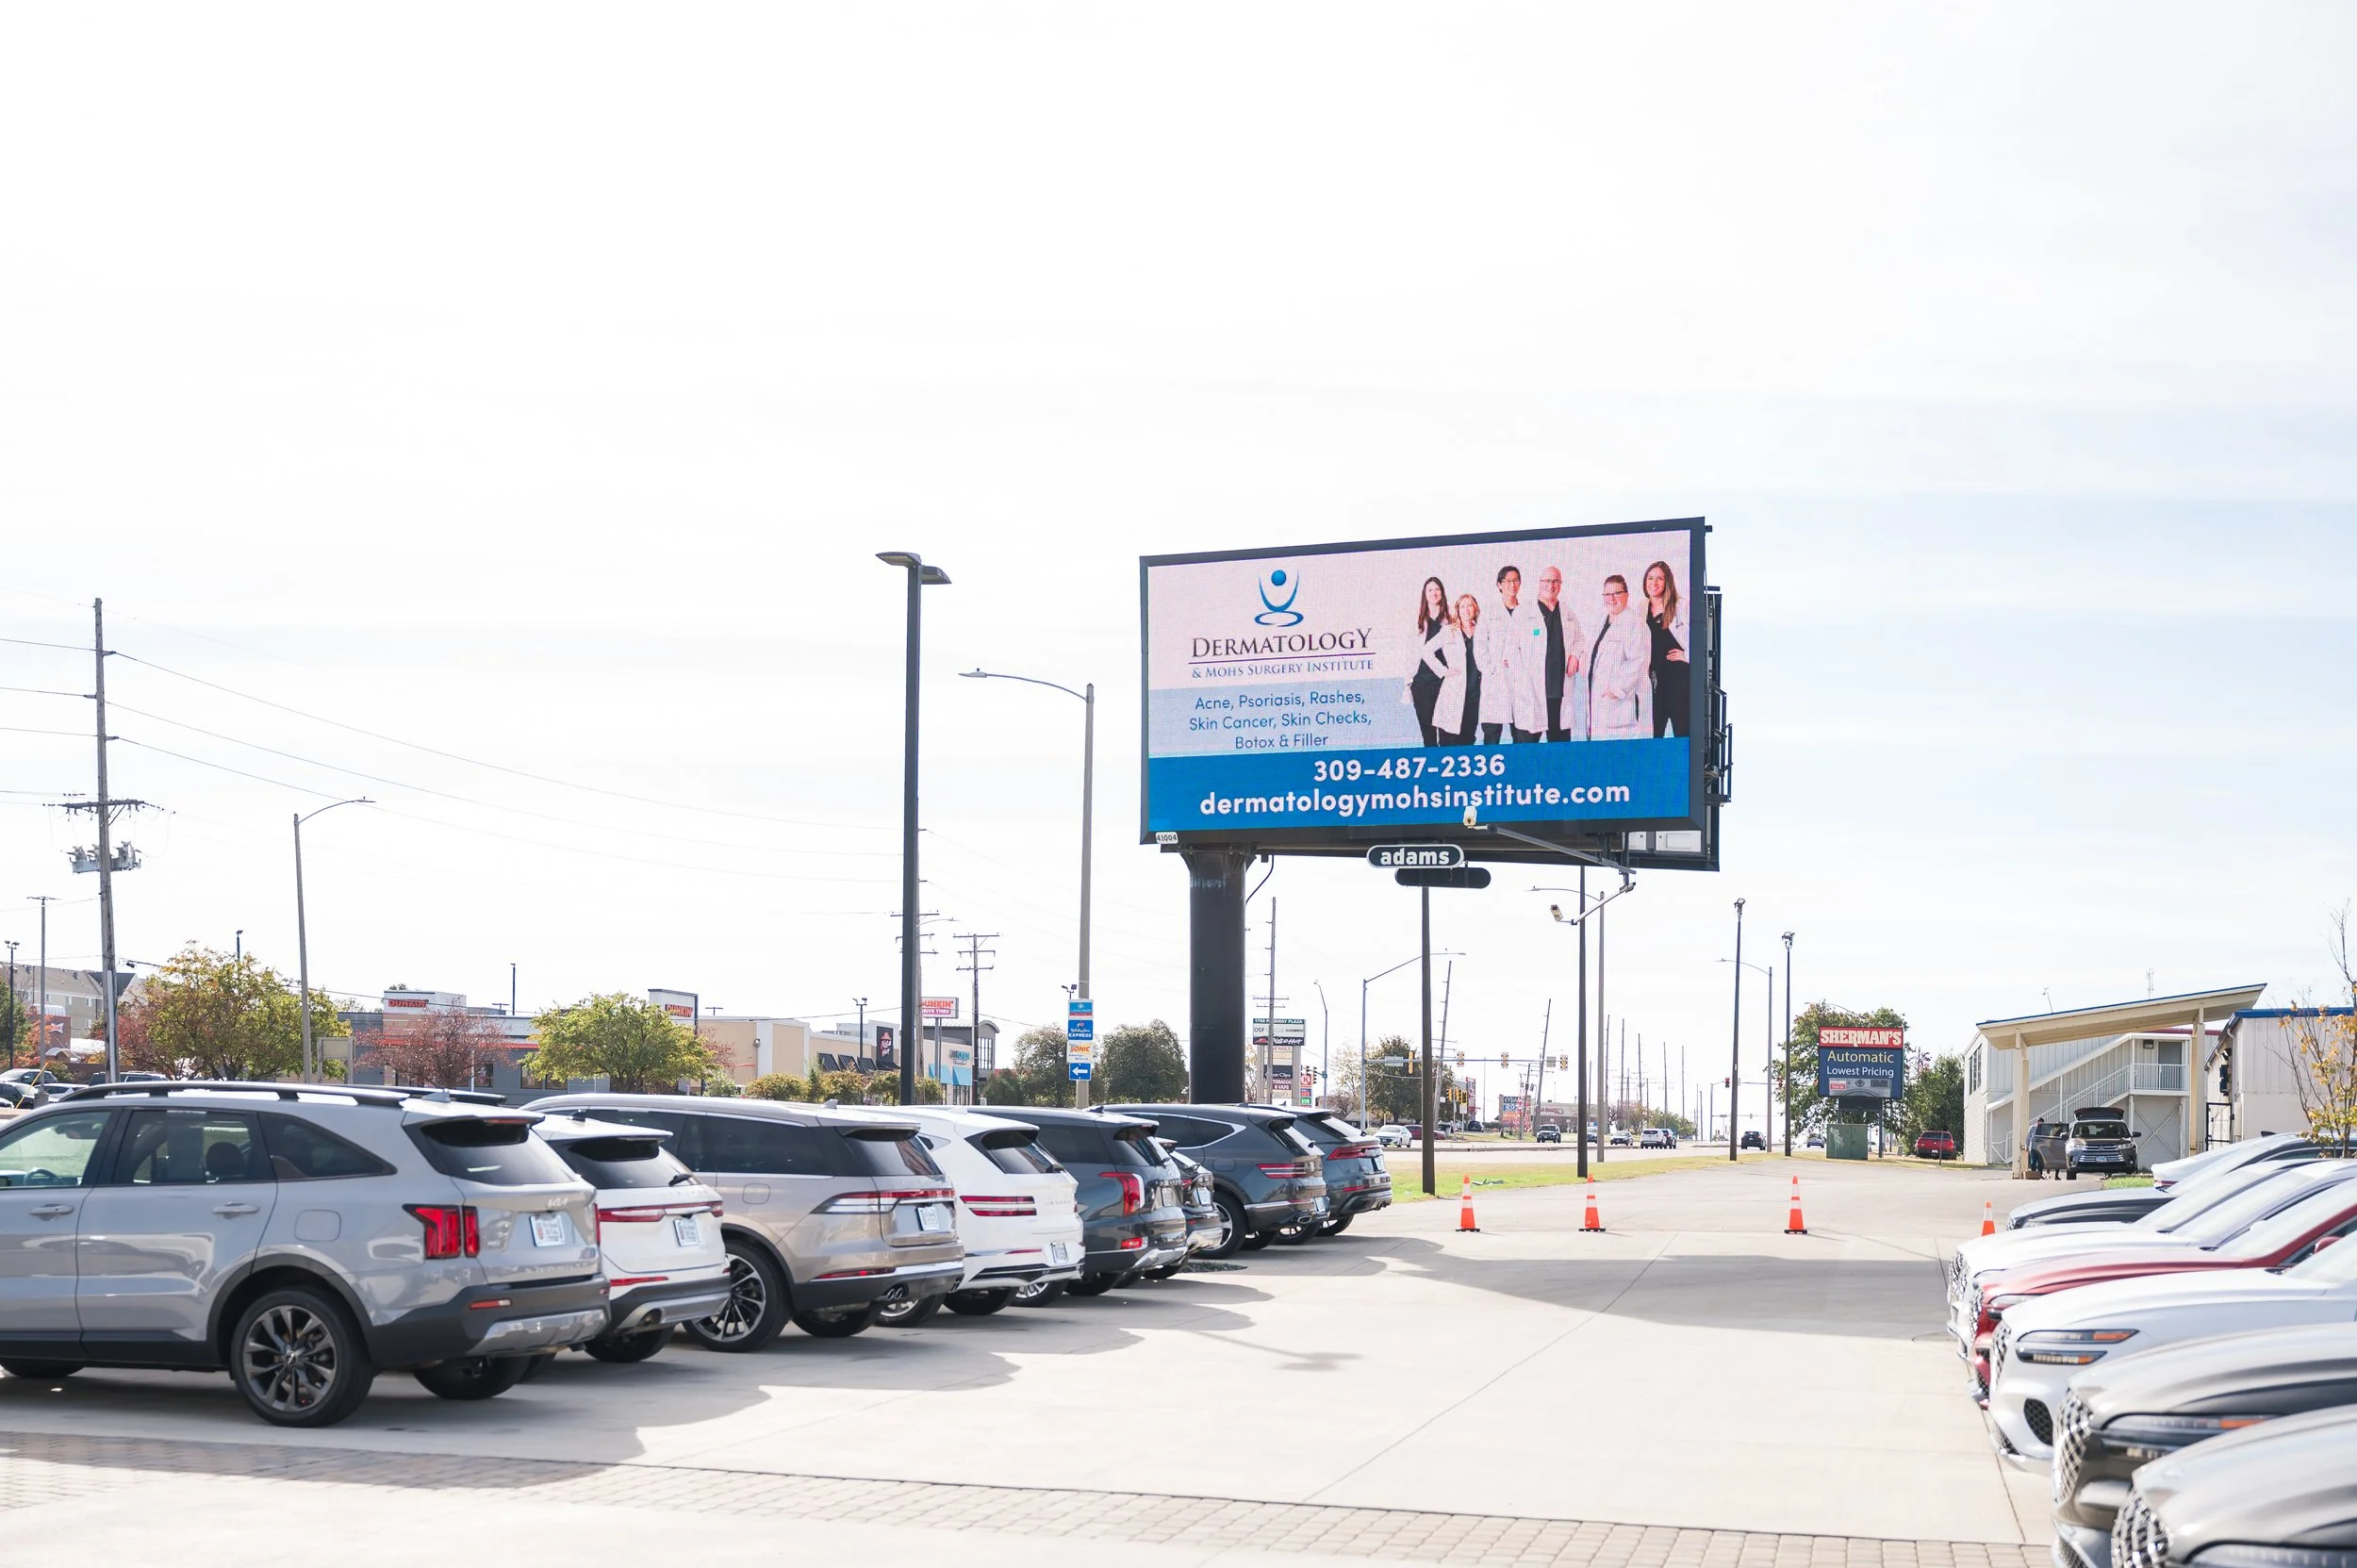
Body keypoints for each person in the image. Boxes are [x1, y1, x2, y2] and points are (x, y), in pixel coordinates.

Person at [1476, 565, 1545, 743]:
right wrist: (1492, 669)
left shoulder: (1530, 611)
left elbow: (1538, 637)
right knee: (1492, 734)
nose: (1512, 585)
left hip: (1521, 680)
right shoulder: (1490, 611)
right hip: (1496, 681)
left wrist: (1522, 662)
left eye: (1515, 580)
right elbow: (1480, 645)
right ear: (1499, 585)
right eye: (1507, 581)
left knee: (1521, 731)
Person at [1583, 574, 1651, 739]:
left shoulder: (1634, 623)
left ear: (1627, 595)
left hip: (1620, 706)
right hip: (1599, 705)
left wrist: (1617, 690)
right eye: (1607, 594)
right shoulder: (1602, 621)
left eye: (1617, 593)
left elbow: (1638, 662)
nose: (1611, 599)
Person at [1403, 576, 1455, 747]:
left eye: (1437, 589)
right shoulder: (1416, 620)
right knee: (1428, 735)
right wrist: (1409, 681)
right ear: (1425, 594)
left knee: (1447, 734)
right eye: (1430, 590)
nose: (1434, 593)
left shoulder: (1451, 619)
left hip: (1445, 682)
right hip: (1422, 683)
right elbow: (1409, 652)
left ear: (1442, 592)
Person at [1533, 567, 1583, 741]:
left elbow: (1579, 639)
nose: (1551, 585)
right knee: (1528, 748)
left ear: (1560, 585)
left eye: (1556, 581)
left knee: (1560, 745)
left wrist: (1575, 655)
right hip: (1534, 691)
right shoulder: (1525, 613)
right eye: (1547, 581)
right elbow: (1513, 648)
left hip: (1559, 691)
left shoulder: (1567, 612)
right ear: (1540, 583)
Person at [1642, 559, 1689, 739]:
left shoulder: (1680, 605)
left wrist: (1687, 655)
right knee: (1653, 735)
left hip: (1679, 680)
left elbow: (1699, 637)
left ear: (1667, 581)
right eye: (1650, 578)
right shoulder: (1641, 608)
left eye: (1659, 578)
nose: (1654, 583)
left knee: (1682, 733)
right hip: (1654, 681)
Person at [1438, 593, 1483, 743]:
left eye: (1469, 605)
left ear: (1475, 609)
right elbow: (1426, 651)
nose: (1466, 610)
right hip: (1454, 690)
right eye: (1462, 606)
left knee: (1468, 734)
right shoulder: (1449, 631)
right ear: (1457, 610)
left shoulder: (1482, 631)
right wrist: (1443, 670)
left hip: (1475, 691)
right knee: (1449, 736)